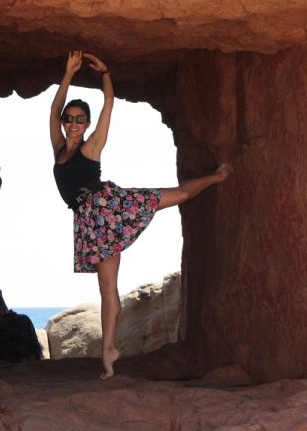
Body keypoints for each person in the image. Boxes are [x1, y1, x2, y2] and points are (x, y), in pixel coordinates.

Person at [50, 50, 234, 379]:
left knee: (179, 195)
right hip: (89, 223)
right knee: (108, 290)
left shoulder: (92, 146)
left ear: (87, 124)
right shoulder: (59, 147)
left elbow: (109, 102)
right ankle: (109, 351)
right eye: (69, 119)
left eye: (80, 119)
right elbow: (52, 110)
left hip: (110, 208)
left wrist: (105, 71)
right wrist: (68, 74)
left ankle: (217, 176)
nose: (74, 124)